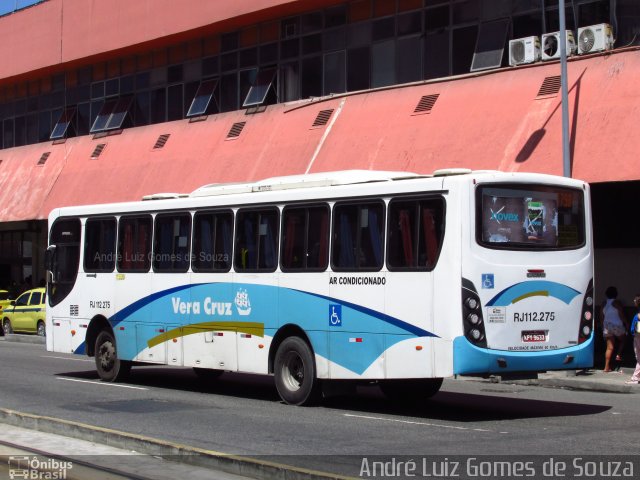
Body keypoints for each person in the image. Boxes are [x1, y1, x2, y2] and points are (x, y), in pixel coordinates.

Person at [600, 286, 628, 372]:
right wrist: (627, 323)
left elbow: (601, 317)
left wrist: (602, 327)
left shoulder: (603, 303)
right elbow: (621, 315)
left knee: (609, 348)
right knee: (624, 339)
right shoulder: (617, 303)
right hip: (617, 325)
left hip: (607, 326)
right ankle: (618, 355)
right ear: (616, 294)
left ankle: (606, 367)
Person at [626, 295, 640, 384]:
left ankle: (635, 378)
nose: (633, 301)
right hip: (637, 336)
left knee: (639, 357)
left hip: (638, 336)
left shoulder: (638, 315)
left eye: (635, 300)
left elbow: (634, 329)